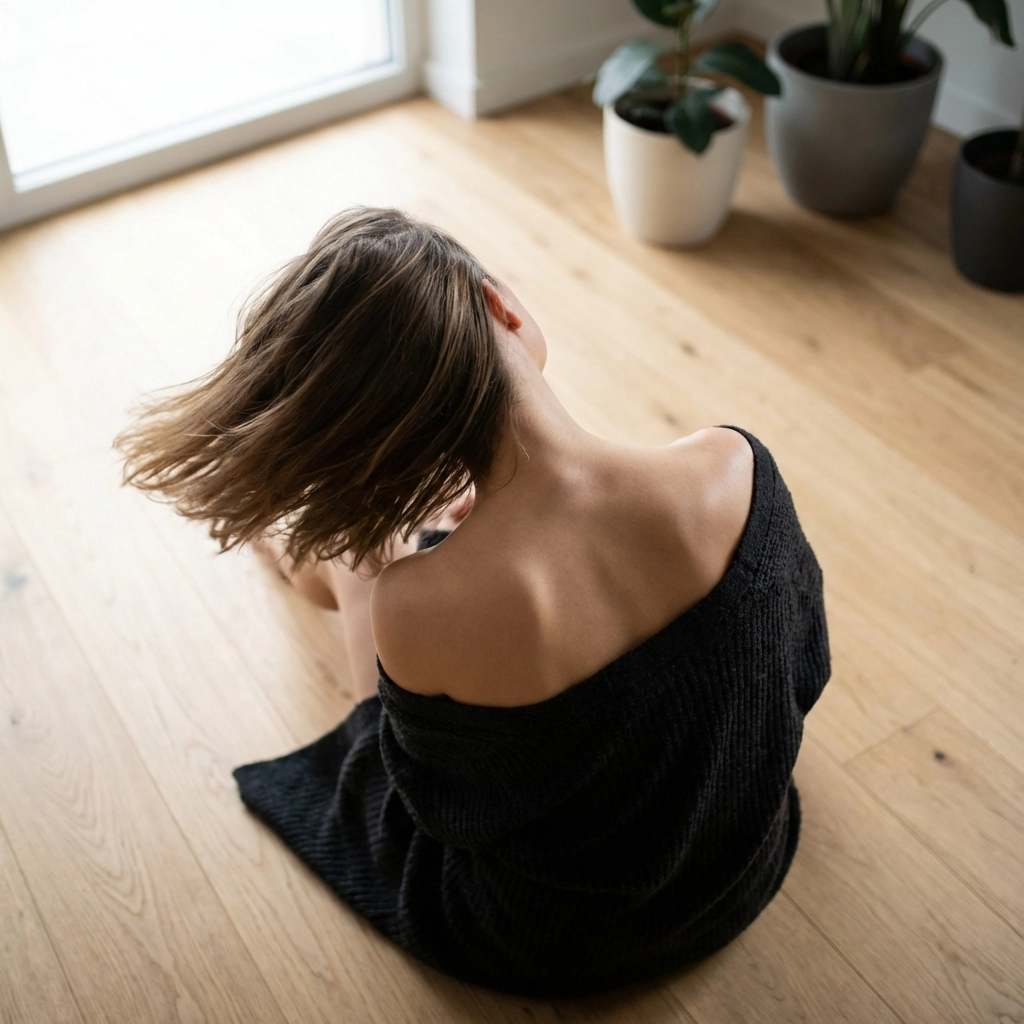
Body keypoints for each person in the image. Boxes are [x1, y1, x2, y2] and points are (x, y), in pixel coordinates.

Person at [117, 207, 830, 997]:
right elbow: (802, 667)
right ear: (503, 307)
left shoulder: (417, 607)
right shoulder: (731, 468)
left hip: (549, 947)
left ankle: (325, 552)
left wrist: (407, 572)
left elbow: (434, 809)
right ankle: (352, 544)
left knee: (365, 570)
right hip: (738, 870)